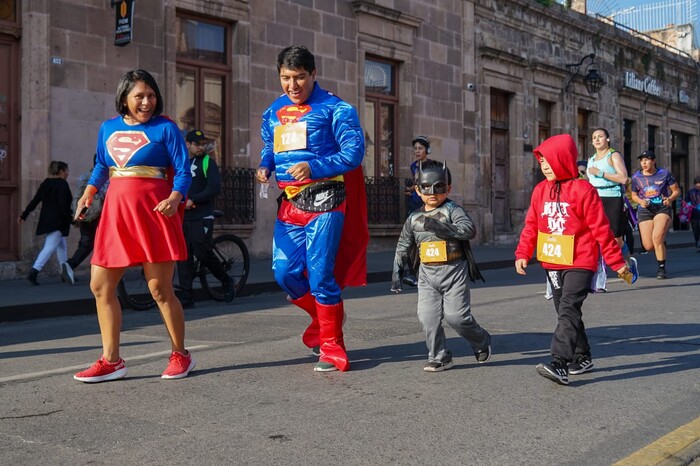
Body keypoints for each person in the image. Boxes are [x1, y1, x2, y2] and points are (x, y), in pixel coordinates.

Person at [73, 69, 194, 383]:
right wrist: (89, 191)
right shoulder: (108, 128)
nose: (146, 102)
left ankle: (181, 354)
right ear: (124, 98)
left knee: (160, 289)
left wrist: (175, 197)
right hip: (116, 214)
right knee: (100, 286)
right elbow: (102, 164)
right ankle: (111, 360)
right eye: (139, 96)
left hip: (155, 213)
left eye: (151, 95)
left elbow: (183, 170)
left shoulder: (166, 128)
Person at [256, 45, 368, 372]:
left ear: (313, 74)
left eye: (300, 77)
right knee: (284, 273)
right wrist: (265, 166)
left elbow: (353, 153)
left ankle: (331, 346)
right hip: (290, 203)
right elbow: (269, 146)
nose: (293, 85)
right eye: (286, 78)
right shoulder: (273, 111)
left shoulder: (336, 109)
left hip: (326, 200)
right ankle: (325, 319)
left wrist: (314, 167)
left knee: (320, 276)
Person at [515, 134, 629, 386]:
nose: (544, 166)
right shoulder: (540, 190)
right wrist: (522, 253)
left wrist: (617, 262)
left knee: (568, 308)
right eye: (541, 161)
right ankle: (583, 355)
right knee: (565, 310)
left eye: (549, 160)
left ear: (563, 160)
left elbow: (601, 228)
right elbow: (531, 225)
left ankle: (559, 363)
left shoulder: (583, 189)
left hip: (580, 260)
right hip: (553, 260)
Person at [391, 160, 491, 372]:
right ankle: (440, 356)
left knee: (457, 317)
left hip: (454, 271)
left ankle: (481, 340)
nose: (432, 192)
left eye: (439, 186)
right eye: (426, 187)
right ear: (417, 189)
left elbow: (469, 230)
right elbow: (403, 244)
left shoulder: (453, 210)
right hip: (427, 274)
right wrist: (397, 269)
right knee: (427, 317)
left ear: (449, 188)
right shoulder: (414, 218)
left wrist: (443, 228)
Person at [176, 129, 234, 308]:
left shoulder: (208, 162)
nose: (201, 147)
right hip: (184, 216)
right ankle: (187, 295)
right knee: (183, 255)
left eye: (203, 144)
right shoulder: (181, 163)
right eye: (197, 144)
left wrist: (194, 200)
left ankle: (226, 280)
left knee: (202, 251)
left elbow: (214, 188)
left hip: (202, 215)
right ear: (188, 145)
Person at [586, 128, 638, 288]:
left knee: (616, 239)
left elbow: (623, 178)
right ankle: (596, 279)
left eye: (600, 136)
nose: (597, 139)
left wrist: (601, 173)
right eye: (594, 137)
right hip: (594, 198)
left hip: (612, 197)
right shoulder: (591, 159)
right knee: (594, 238)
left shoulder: (613, 155)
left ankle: (629, 265)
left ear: (607, 139)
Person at [18, 161, 73, 285]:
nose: (67, 173)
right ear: (60, 171)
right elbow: (63, 205)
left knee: (61, 247)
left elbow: (35, 200)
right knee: (50, 246)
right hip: (58, 221)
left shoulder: (45, 184)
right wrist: (72, 219)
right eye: (66, 170)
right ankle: (34, 271)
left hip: (47, 220)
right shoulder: (62, 185)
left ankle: (66, 273)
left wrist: (24, 215)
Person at [630, 150, 681, 279]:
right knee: (648, 245)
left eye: (647, 160)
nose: (644, 163)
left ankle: (661, 268)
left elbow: (676, 191)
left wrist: (669, 199)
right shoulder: (636, 177)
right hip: (645, 210)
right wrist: (641, 201)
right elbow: (634, 195)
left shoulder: (664, 174)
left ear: (653, 161)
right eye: (642, 160)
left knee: (657, 238)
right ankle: (662, 244)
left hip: (661, 209)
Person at [61, 155, 108, 285]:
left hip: (86, 213)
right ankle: (105, 274)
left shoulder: (85, 175)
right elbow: (106, 195)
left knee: (86, 243)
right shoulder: (105, 177)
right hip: (99, 214)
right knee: (103, 244)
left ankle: (70, 265)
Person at [400, 135, 433, 287]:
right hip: (414, 205)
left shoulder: (432, 166)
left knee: (425, 240)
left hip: (425, 205)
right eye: (416, 149)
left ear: (427, 150)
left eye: (420, 148)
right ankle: (413, 273)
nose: (417, 151)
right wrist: (410, 190)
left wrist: (415, 189)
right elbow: (416, 182)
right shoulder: (414, 165)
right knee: (410, 240)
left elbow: (426, 183)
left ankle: (423, 274)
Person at [684, 176, 700, 251]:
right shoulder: (690, 192)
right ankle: (697, 242)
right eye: (697, 184)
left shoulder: (690, 192)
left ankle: (698, 243)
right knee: (695, 230)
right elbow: (686, 201)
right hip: (693, 214)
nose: (698, 186)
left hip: (695, 214)